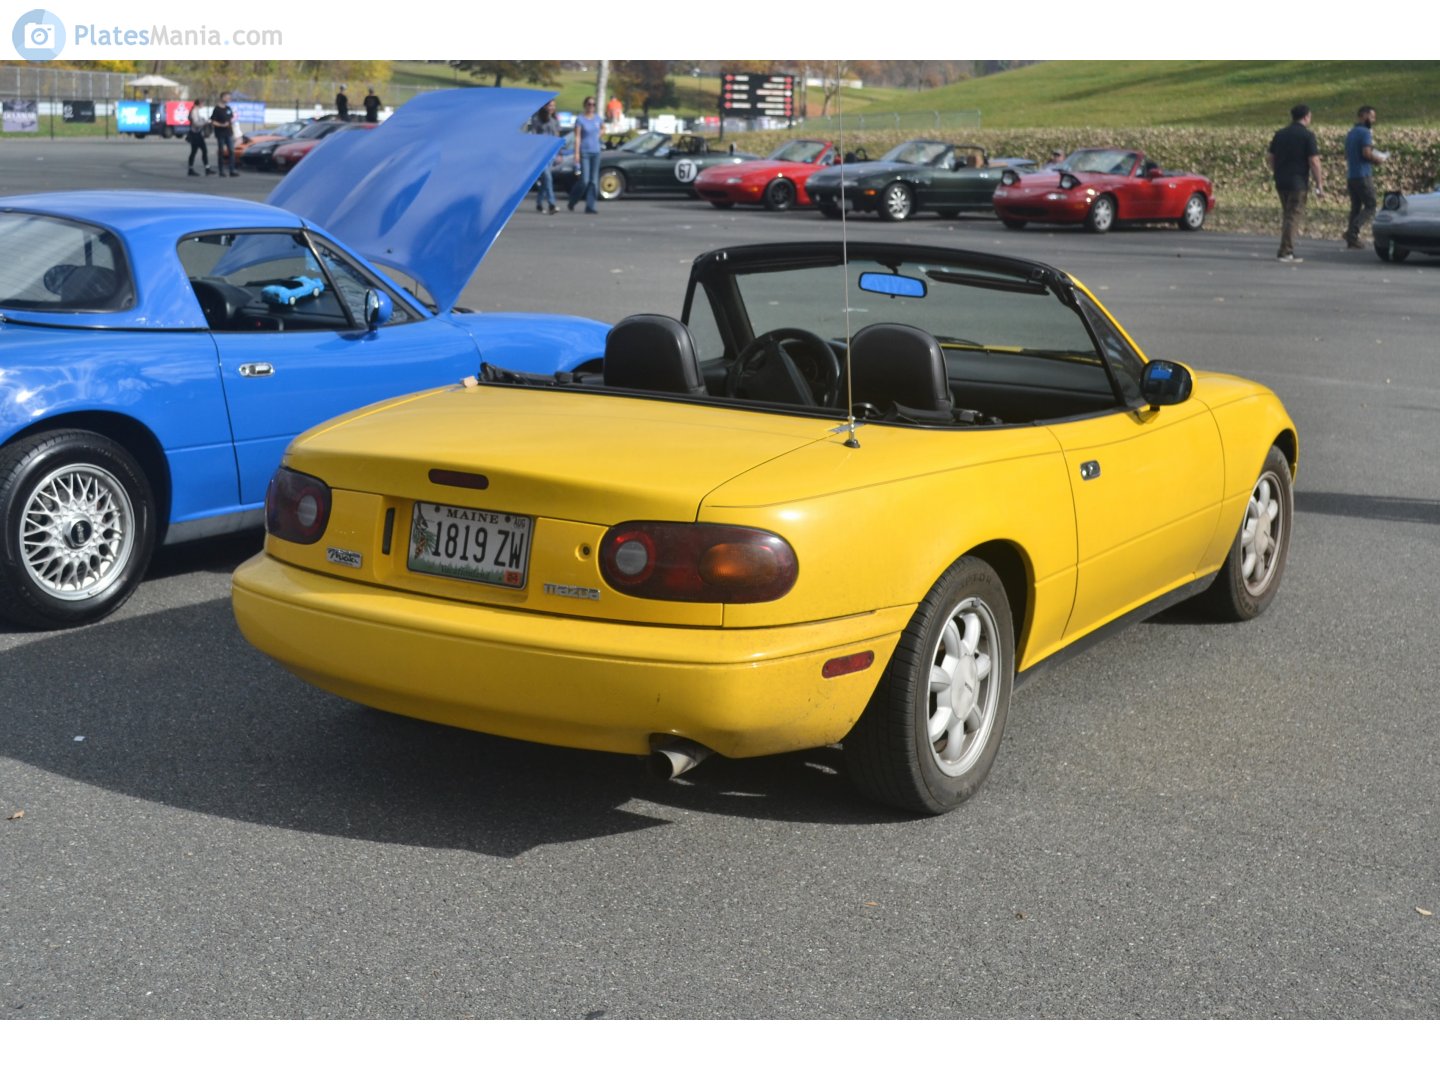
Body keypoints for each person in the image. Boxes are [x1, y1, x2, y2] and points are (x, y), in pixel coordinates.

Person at [1266, 104, 1324, 263]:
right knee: (1293, 216)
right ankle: (1286, 252)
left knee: (1287, 214)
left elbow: (1270, 157)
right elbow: (1314, 161)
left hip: (1281, 180)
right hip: (1298, 182)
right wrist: (1319, 184)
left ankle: (1286, 248)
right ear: (1306, 117)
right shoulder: (1307, 136)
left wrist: (1276, 170)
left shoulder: (1280, 134)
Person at [1343, 104, 1389, 250]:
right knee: (1371, 205)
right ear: (1363, 116)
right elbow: (1366, 153)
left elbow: (1347, 154)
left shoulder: (1351, 132)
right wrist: (1378, 160)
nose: (1373, 120)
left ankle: (1352, 240)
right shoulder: (1365, 132)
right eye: (1371, 116)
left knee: (1356, 207)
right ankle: (1352, 232)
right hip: (1363, 175)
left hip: (1351, 174)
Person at [567, 96, 603, 214]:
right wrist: (576, 153)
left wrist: (599, 135)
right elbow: (577, 137)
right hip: (585, 152)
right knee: (584, 181)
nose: (591, 106)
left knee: (594, 181)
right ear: (585, 105)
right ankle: (573, 200)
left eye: (593, 104)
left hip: (596, 151)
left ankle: (590, 205)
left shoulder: (598, 119)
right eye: (589, 104)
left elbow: (603, 128)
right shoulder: (580, 119)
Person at [529, 100, 560, 214]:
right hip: (540, 154)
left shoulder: (554, 121)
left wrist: (559, 153)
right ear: (545, 106)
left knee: (546, 180)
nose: (551, 108)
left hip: (551, 154)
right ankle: (552, 203)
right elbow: (533, 136)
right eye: (550, 105)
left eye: (553, 106)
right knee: (548, 178)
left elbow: (557, 136)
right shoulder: (537, 119)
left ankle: (539, 203)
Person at [210, 91, 238, 177]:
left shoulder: (228, 108)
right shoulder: (217, 109)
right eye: (227, 97)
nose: (229, 99)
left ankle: (232, 170)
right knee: (221, 152)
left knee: (231, 151)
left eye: (229, 97)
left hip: (229, 133)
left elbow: (231, 118)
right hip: (220, 133)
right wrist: (221, 125)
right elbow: (213, 121)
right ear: (222, 98)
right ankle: (221, 171)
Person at [185, 97, 215, 176]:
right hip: (195, 134)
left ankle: (202, 168)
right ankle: (202, 169)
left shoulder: (195, 111)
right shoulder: (194, 111)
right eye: (203, 103)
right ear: (200, 103)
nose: (203, 105)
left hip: (196, 133)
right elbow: (195, 123)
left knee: (196, 151)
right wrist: (204, 123)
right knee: (201, 150)